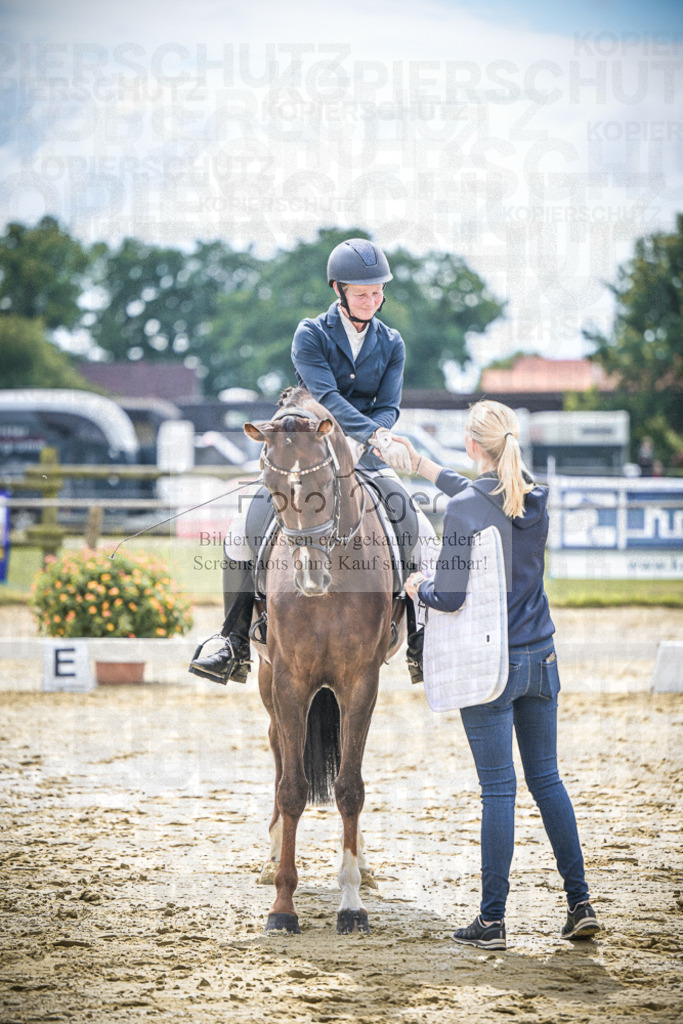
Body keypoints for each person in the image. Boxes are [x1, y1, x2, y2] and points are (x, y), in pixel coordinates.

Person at [399, 399, 600, 950]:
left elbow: (453, 595)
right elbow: (481, 493)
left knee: (498, 791)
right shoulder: (534, 498)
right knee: (548, 781)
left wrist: (419, 588)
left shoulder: (464, 509)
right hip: (543, 658)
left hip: (492, 663)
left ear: (471, 445)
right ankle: (579, 901)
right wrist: (421, 465)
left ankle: (492, 920)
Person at [189, 238, 433, 685]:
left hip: (364, 453)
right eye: (362, 293)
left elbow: (389, 405)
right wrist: (371, 433)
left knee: (416, 522)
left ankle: (419, 637)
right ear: (338, 289)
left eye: (378, 292)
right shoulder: (312, 334)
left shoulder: (391, 341)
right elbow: (326, 397)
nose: (372, 301)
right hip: (305, 449)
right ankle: (233, 640)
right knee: (243, 528)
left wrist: (372, 439)